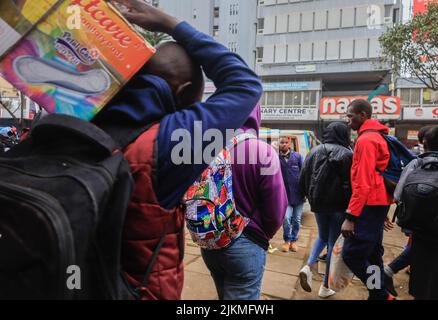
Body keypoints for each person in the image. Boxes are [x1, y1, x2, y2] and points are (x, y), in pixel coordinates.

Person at [93, 0, 262, 300]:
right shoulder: (169, 143)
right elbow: (245, 85)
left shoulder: (83, 117)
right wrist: (171, 24)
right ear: (183, 93)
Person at [200, 106, 287, 300]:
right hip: (247, 242)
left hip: (210, 240)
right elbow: (276, 208)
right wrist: (264, 235)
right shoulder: (262, 150)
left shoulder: (207, 149)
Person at [341, 99, 394, 300]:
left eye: (350, 116)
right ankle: (377, 294)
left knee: (352, 254)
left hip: (368, 205)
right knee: (372, 254)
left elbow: (362, 182)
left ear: (363, 115)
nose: (348, 121)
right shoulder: (377, 136)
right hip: (377, 203)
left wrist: (351, 216)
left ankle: (381, 294)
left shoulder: (366, 140)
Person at [394, 124, 438, 300]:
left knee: (420, 282)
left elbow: (397, 195)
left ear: (424, 143)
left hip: (418, 232)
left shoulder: (415, 163)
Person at [298, 122, 353, 298]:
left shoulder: (314, 151)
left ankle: (308, 266)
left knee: (321, 236)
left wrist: (306, 195)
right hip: (339, 206)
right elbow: (352, 184)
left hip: (318, 204)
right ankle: (324, 286)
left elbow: (303, 175)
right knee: (332, 243)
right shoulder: (347, 154)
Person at [384, 125, 434, 297]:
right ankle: (377, 288)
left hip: (416, 220)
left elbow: (398, 194)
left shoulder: (415, 163)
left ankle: (380, 283)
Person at [279, 136, 304, 252]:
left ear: (290, 144)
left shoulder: (297, 157)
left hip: (298, 194)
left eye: (286, 142)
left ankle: (294, 241)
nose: (284, 144)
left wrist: (306, 191)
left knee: (297, 219)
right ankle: (286, 241)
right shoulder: (276, 157)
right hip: (284, 196)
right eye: (281, 142)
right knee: (286, 218)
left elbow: (304, 174)